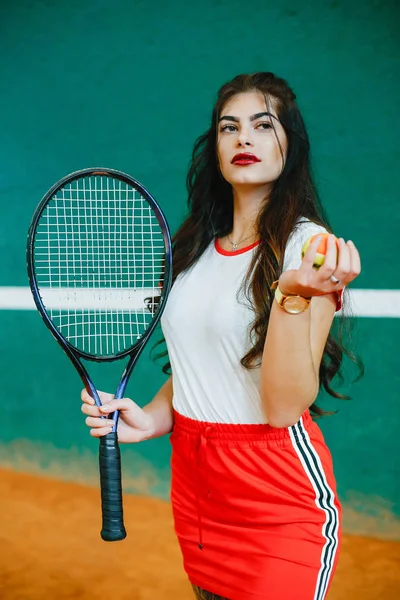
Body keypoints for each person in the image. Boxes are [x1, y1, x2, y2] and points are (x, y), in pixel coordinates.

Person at [81, 72, 362, 600]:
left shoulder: (310, 248)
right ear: (214, 149)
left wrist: (291, 294)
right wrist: (153, 417)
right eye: (229, 127)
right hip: (198, 494)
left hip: (276, 496)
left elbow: (282, 406)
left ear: (290, 145)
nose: (243, 139)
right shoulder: (193, 250)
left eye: (262, 125)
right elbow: (205, 362)